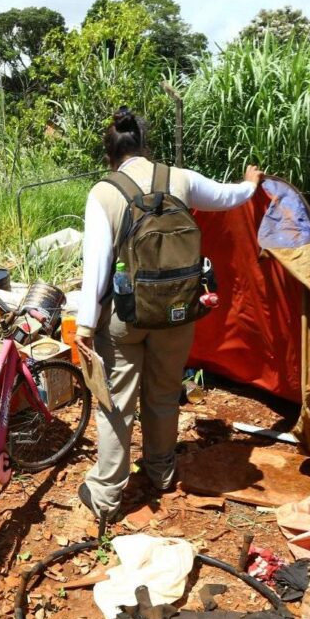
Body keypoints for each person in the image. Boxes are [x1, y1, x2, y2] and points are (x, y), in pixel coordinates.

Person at [75, 107, 262, 520]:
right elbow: (230, 197)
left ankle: (106, 497)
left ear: (110, 153)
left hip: (126, 319)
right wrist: (250, 184)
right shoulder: (181, 178)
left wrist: (85, 326)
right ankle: (161, 472)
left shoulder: (103, 193)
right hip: (178, 311)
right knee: (162, 395)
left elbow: (96, 269)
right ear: (143, 144)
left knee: (116, 406)